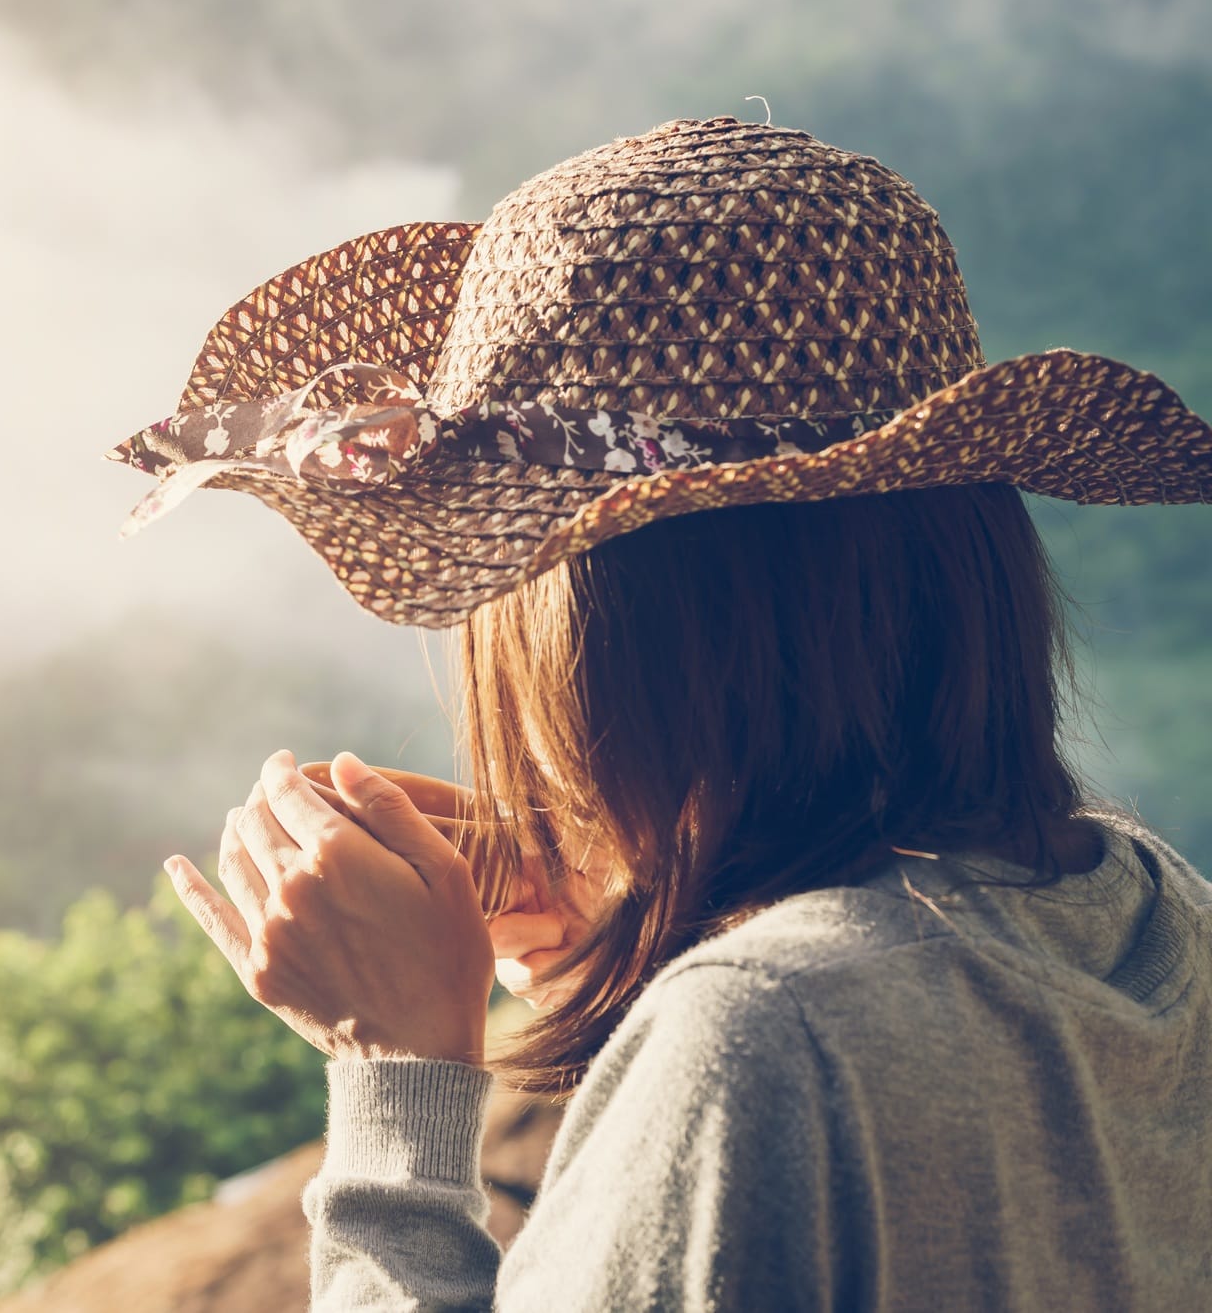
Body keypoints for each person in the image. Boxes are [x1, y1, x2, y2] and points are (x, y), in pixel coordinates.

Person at [107, 117, 1212, 1309]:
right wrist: (645, 903)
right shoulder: (1148, 912)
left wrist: (397, 1078)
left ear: (607, 633)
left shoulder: (761, 1041)